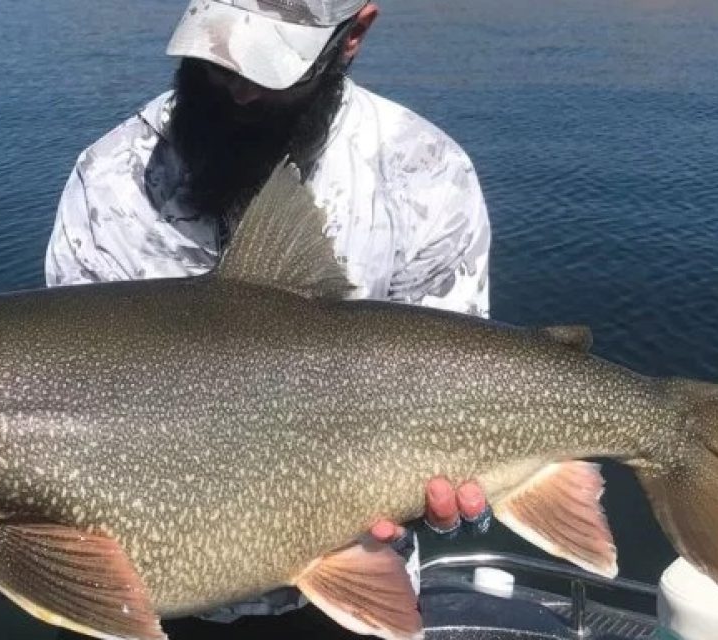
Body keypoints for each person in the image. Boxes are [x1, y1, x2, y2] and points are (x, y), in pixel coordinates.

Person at [44, 0, 492, 632]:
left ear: (354, 33)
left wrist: (455, 498)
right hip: (148, 598)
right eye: (215, 55)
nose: (237, 89)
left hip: (356, 582)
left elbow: (452, 394)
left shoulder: (426, 178)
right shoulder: (111, 183)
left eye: (270, 67)